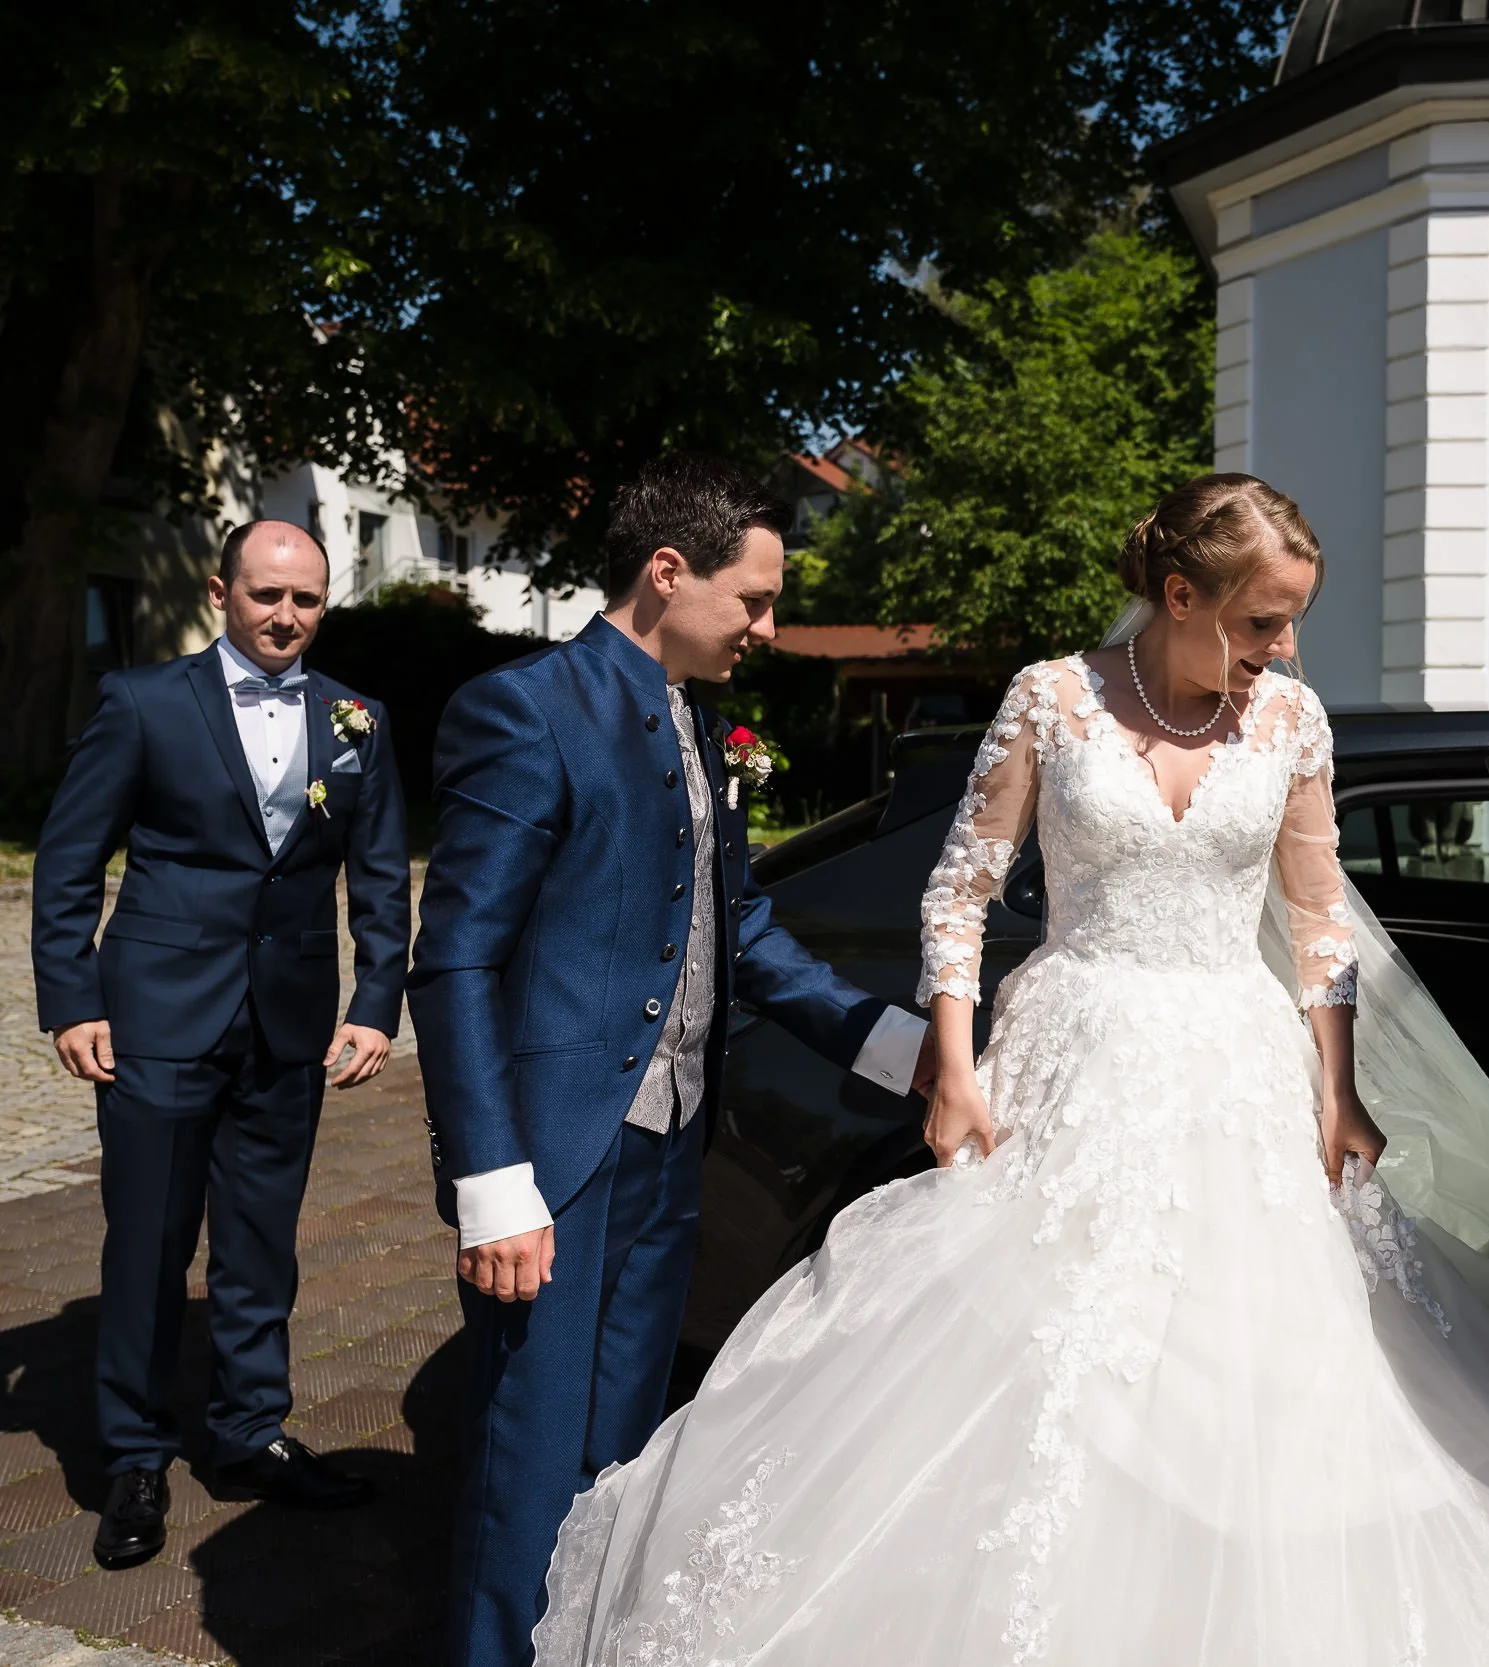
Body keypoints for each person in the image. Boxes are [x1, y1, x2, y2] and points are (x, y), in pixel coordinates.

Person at [528, 474, 1489, 1666]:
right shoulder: (1052, 698)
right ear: (1180, 596)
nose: (1284, 647)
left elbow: (1319, 914)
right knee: (1042, 1351)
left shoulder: (1291, 720)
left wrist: (1338, 1090)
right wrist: (953, 1068)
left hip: (1235, 1064)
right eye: (1263, 619)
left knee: (1269, 1363)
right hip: (1073, 1053)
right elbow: (960, 890)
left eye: (1292, 621)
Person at [408, 455, 936, 1667]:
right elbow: (456, 962)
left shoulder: (695, 719)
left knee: (623, 1455)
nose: (766, 626)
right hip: (558, 1159)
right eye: (750, 600)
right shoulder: (526, 709)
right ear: (666, 571)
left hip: (670, 1146)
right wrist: (494, 1181)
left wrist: (892, 1043)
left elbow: (733, 921)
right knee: (524, 1461)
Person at [31, 519, 410, 1571]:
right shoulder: (143, 703)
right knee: (147, 1242)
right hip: (155, 1018)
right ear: (221, 591)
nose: (286, 615)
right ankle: (136, 1454)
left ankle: (250, 1434)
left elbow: (378, 876)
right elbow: (67, 863)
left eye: (306, 599)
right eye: (266, 595)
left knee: (259, 1243)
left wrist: (377, 997)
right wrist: (71, 1000)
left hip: (287, 1025)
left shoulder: (357, 719)